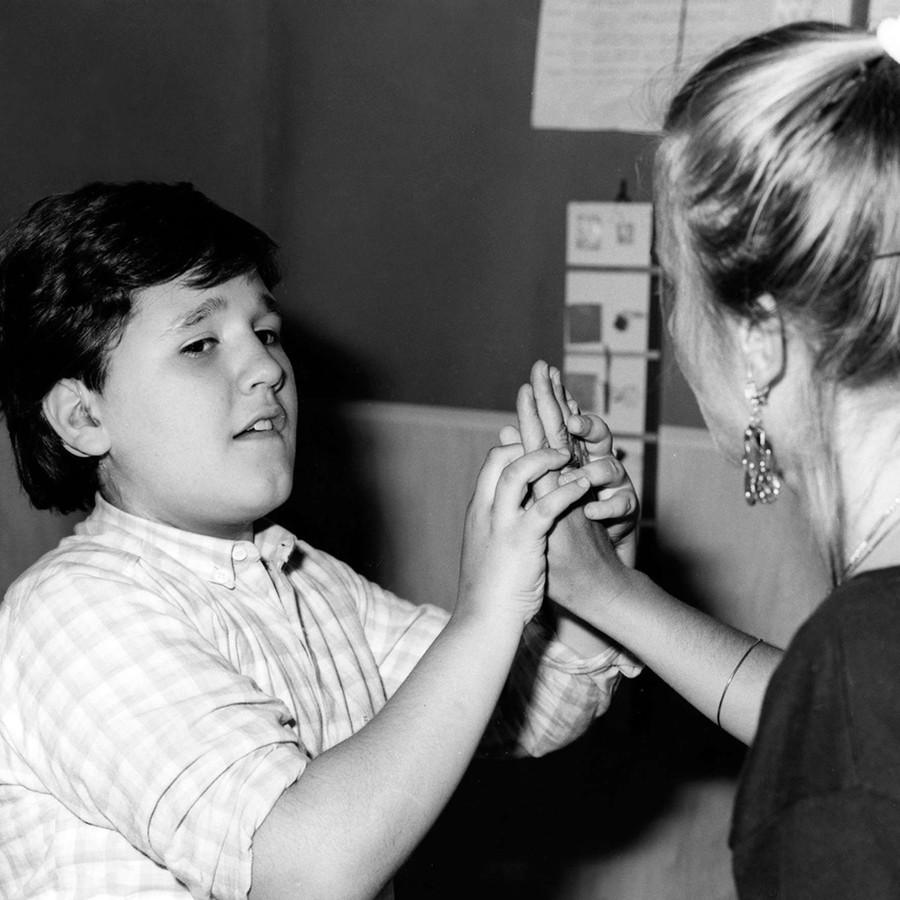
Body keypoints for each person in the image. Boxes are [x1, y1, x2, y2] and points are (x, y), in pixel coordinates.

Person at [0, 181, 642, 900]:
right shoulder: (75, 615)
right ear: (83, 419)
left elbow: (534, 708)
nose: (269, 369)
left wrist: (591, 571)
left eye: (266, 334)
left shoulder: (302, 577)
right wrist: (488, 611)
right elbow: (308, 869)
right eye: (201, 343)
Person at [512, 18, 900, 898]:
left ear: (760, 339)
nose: (670, 319)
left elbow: (847, 741)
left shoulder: (857, 671)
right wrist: (609, 592)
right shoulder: (860, 665)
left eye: (670, 282)